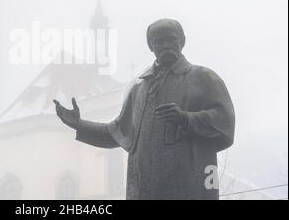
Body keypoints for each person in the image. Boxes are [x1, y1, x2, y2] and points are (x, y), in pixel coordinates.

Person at [54, 19, 235, 199]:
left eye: (171, 39)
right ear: (151, 46)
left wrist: (185, 119)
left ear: (182, 41)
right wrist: (79, 124)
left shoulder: (203, 78)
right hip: (143, 190)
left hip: (188, 188)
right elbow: (116, 132)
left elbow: (224, 119)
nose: (166, 45)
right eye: (158, 41)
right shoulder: (140, 88)